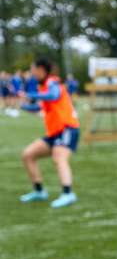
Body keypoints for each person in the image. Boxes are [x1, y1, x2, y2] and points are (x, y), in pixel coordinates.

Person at [19, 57, 80, 207]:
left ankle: (68, 193)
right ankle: (39, 191)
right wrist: (23, 106)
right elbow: (40, 107)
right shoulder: (42, 87)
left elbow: (54, 96)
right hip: (54, 133)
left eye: (33, 69)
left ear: (41, 69)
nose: (32, 72)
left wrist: (30, 95)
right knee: (28, 155)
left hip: (67, 128)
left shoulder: (53, 82)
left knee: (59, 157)